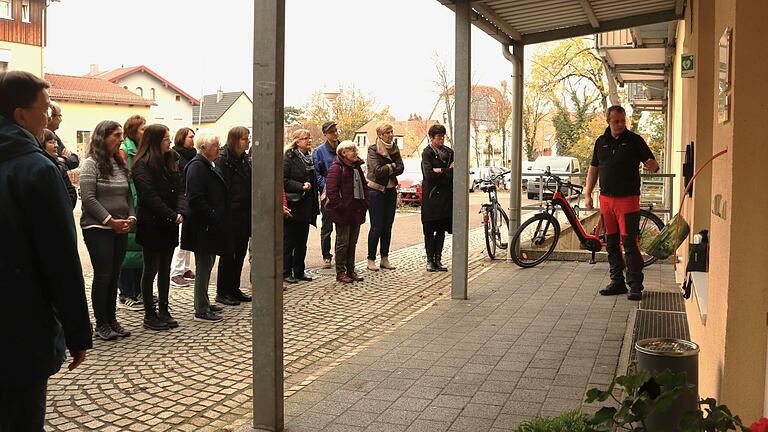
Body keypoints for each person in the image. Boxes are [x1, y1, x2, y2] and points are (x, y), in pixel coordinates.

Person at [0, 71, 92, 432]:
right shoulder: (37, 169)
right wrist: (77, 333)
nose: (49, 117)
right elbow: (61, 260)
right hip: (22, 328)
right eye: (46, 109)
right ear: (21, 115)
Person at [584, 105, 659, 301]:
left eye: (623, 120)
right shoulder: (601, 142)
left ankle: (635, 284)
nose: (620, 124)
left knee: (629, 243)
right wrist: (587, 193)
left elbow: (651, 162)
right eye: (616, 121)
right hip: (606, 200)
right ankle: (617, 281)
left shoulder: (635, 141)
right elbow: (594, 169)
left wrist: (653, 165)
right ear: (608, 121)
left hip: (628, 200)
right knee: (611, 242)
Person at [79, 120, 136, 340]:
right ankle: (101, 323)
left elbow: (128, 195)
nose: (121, 139)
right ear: (103, 137)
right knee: (103, 275)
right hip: (97, 228)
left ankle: (112, 320)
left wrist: (130, 217)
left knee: (115, 275)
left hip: (120, 228)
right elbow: (89, 198)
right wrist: (110, 221)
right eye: (116, 135)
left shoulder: (119, 163)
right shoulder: (91, 164)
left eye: (122, 135)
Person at [132, 124, 186, 330]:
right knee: (151, 269)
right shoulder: (142, 165)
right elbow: (149, 197)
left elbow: (180, 189)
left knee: (165, 268)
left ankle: (164, 308)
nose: (170, 141)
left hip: (170, 223)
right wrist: (172, 215)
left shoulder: (171, 158)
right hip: (152, 224)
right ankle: (149, 313)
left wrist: (181, 211)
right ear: (155, 141)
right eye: (166, 138)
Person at [181, 131, 231, 322]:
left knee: (208, 263)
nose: (219, 149)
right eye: (216, 146)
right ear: (204, 148)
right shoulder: (196, 167)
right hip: (202, 225)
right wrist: (212, 215)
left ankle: (204, 300)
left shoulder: (208, 164)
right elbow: (196, 197)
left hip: (209, 224)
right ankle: (200, 308)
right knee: (203, 266)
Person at [215, 126, 253, 304]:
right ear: (236, 140)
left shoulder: (244, 159)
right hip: (231, 214)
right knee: (229, 254)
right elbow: (222, 189)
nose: (248, 141)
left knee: (240, 252)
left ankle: (234, 288)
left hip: (244, 214)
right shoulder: (224, 160)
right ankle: (223, 292)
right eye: (245, 138)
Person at [325, 140, 368, 283]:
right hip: (343, 213)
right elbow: (332, 192)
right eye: (352, 150)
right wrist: (341, 207)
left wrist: (365, 203)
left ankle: (351, 270)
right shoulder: (336, 168)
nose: (355, 152)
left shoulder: (356, 168)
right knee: (343, 243)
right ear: (343, 153)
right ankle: (341, 272)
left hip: (356, 211)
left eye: (355, 149)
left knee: (352, 242)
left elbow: (364, 186)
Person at [116, 115, 146, 311]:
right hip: (129, 205)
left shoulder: (139, 148)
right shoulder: (124, 150)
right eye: (142, 128)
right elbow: (124, 180)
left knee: (138, 251)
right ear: (133, 130)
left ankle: (136, 290)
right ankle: (125, 293)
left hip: (139, 205)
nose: (145, 132)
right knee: (127, 253)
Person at [365, 121, 404, 271]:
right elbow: (377, 171)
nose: (390, 135)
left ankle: (385, 258)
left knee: (388, 226)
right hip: (376, 191)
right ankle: (370, 259)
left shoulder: (394, 148)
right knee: (376, 226)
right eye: (387, 133)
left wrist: (390, 168)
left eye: (391, 132)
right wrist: (392, 166)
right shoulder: (373, 149)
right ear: (380, 135)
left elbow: (401, 167)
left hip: (390, 190)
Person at [283, 129, 320, 284]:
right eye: (305, 138)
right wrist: (300, 186)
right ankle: (286, 271)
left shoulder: (309, 158)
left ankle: (299, 270)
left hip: (306, 205)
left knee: (302, 241)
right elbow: (283, 180)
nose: (309, 141)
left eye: (309, 138)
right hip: (293, 205)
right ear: (297, 141)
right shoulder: (288, 158)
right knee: (289, 241)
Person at [421, 124, 454, 272]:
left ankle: (438, 259)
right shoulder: (427, 153)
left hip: (446, 197)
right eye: (438, 137)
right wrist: (447, 171)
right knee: (429, 229)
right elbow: (429, 175)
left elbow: (455, 173)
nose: (441, 139)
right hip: (431, 196)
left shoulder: (450, 152)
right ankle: (429, 260)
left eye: (443, 136)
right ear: (431, 138)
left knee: (441, 230)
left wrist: (441, 170)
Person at [170, 127, 197, 288]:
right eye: (190, 137)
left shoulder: (192, 155)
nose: (193, 140)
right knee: (181, 238)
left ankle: (185, 268)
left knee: (188, 236)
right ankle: (176, 272)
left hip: (189, 198)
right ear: (182, 138)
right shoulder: (175, 155)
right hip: (180, 200)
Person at [311, 120, 340, 268]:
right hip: (327, 194)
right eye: (331, 131)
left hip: (343, 193)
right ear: (325, 134)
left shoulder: (343, 147)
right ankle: (326, 255)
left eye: (336, 130)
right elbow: (317, 173)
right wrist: (328, 186)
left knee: (342, 226)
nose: (334, 133)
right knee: (327, 226)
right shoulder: (319, 151)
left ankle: (341, 255)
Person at [42, 128, 78, 208]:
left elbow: (71, 196)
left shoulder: (60, 167)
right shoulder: (44, 168)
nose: (56, 146)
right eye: (51, 142)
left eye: (56, 142)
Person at [48, 100, 80, 170]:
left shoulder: (55, 137)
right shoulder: (41, 138)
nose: (61, 120)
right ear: (50, 117)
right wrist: (61, 161)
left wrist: (63, 159)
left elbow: (75, 160)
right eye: (59, 116)